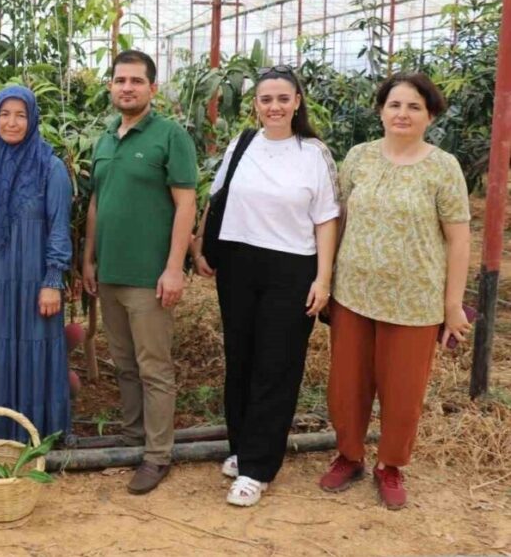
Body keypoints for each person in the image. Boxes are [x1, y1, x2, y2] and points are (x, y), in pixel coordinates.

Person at [319, 73, 471, 510]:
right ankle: (349, 456)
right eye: (395, 105)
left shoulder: (443, 167)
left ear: (430, 115)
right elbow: (340, 219)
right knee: (347, 384)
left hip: (414, 299)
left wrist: (452, 304)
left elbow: (459, 239)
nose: (402, 114)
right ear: (381, 111)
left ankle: (391, 465)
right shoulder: (359, 157)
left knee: (403, 390)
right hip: (355, 293)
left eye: (414, 107)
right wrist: (326, 279)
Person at [191, 66, 339, 507]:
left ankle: (259, 468)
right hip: (238, 264)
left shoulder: (314, 153)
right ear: (255, 105)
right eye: (265, 99)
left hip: (290, 267)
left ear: (297, 102)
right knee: (241, 360)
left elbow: (327, 220)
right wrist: (201, 246)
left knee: (277, 365)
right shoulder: (242, 145)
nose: (274, 107)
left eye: (282, 98)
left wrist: (323, 278)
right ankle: (242, 447)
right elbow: (216, 201)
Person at [82, 50, 197, 495]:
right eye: (119, 80)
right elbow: (96, 203)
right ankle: (133, 437)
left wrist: (174, 268)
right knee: (125, 364)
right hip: (110, 273)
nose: (126, 87)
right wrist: (89, 257)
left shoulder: (170, 137)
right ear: (110, 87)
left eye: (135, 80)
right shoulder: (106, 139)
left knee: (154, 367)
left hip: (150, 276)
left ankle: (157, 455)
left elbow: (186, 203)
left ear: (153, 88)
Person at [0, 85, 72, 442]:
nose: (11, 123)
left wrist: (53, 279)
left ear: (33, 119)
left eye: (20, 115)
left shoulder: (49, 168)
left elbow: (58, 227)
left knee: (31, 347)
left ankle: (36, 435)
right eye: (4, 114)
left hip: (32, 277)